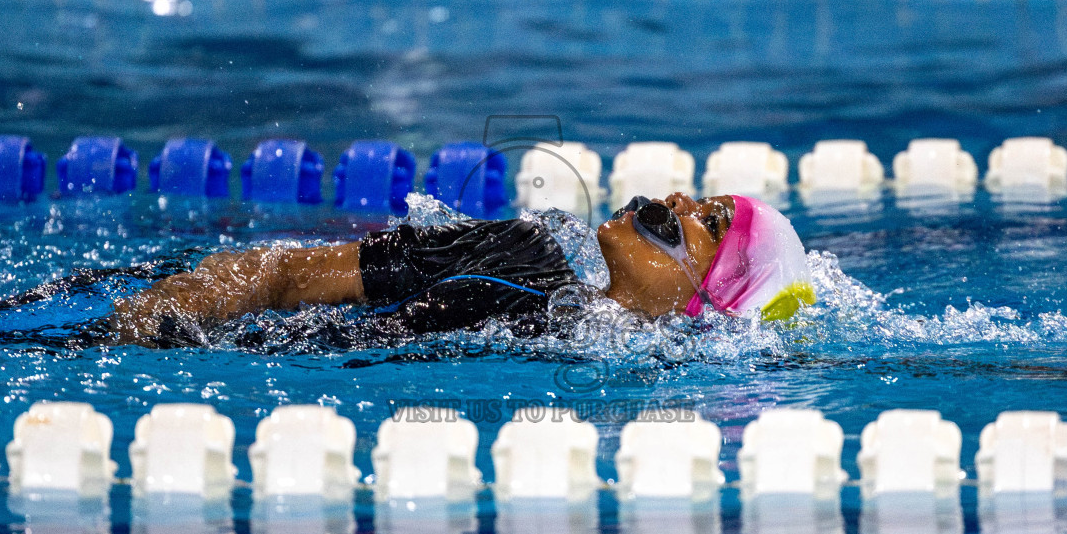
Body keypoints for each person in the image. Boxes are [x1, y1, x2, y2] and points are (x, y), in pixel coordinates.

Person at [107, 192, 816, 345]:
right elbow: (283, 275)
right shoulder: (515, 247)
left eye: (711, 221)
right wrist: (154, 317)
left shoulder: (644, 390)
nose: (679, 198)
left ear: (713, 296)